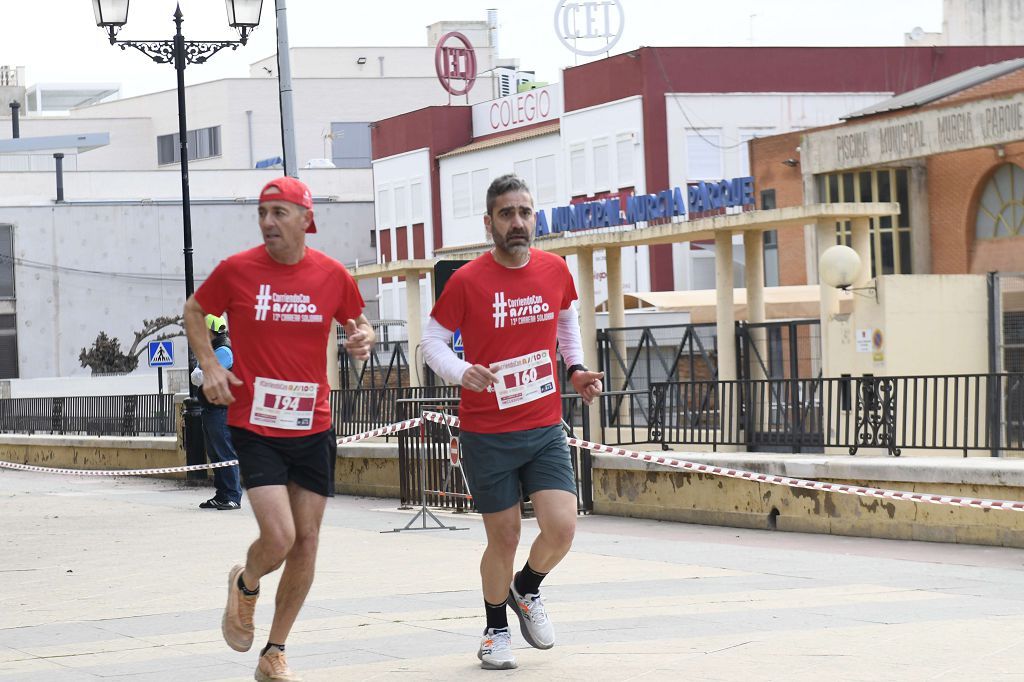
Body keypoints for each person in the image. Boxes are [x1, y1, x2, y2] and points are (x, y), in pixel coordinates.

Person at [183, 176, 374, 682]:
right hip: (256, 422)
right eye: (263, 212)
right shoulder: (237, 270)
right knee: (281, 535)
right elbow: (195, 311)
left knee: (307, 542)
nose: (268, 221)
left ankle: (274, 651)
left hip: (312, 424)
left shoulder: (332, 275)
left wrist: (361, 338)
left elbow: (358, 321)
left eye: (279, 212)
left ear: (306, 220)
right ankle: (245, 583)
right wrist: (212, 366)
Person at [420, 174, 603, 670]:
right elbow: (431, 342)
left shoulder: (554, 269)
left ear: (534, 217)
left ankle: (527, 588)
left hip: (543, 427)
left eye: (524, 212)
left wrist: (575, 369)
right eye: (506, 214)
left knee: (561, 529)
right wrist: (463, 372)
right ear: (489, 223)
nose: (517, 222)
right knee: (503, 537)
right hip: (487, 433)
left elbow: (564, 320)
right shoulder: (467, 281)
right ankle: (494, 628)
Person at [190, 314, 244, 510]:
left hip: (221, 409)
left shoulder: (223, 350)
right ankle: (222, 494)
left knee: (225, 452)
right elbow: (198, 374)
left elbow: (204, 375)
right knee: (215, 454)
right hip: (211, 408)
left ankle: (232, 495)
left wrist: (201, 374)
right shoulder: (211, 349)